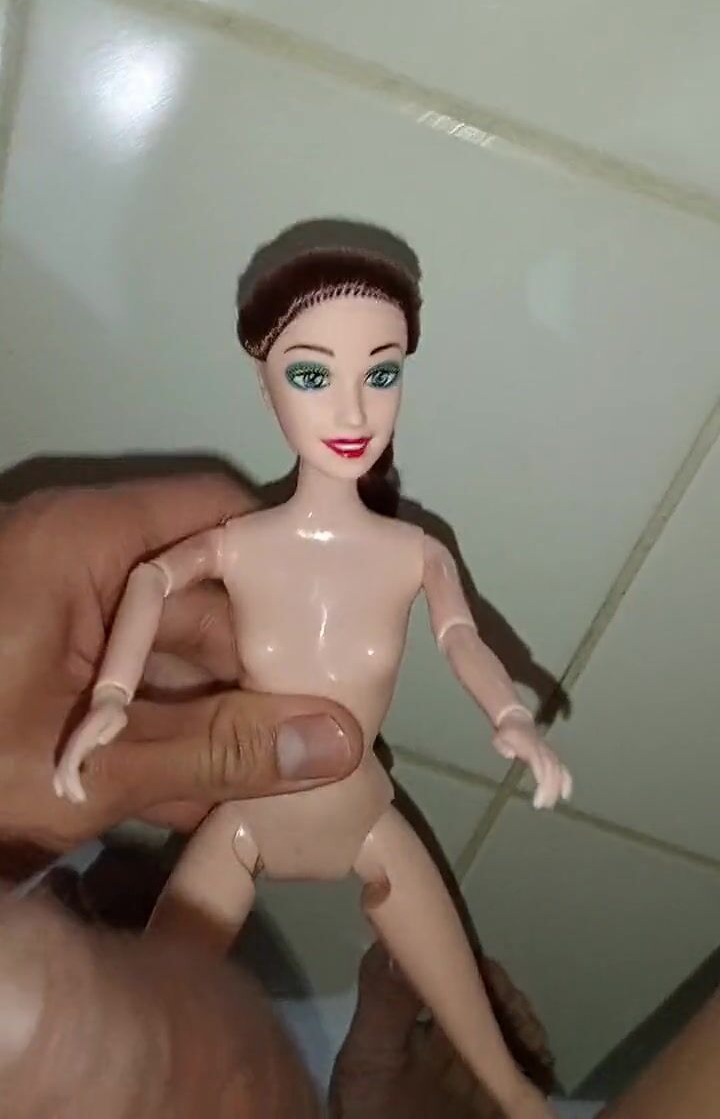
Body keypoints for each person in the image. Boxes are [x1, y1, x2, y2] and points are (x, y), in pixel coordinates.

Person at [0, 475, 717, 1117]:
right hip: (247, 825)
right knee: (139, 1051)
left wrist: (511, 717)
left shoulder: (412, 553)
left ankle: (511, 1097)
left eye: (377, 382)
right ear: (268, 385)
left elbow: (461, 636)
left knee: (509, 1084)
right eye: (314, 381)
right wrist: (111, 694)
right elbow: (153, 578)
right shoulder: (240, 544)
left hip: (363, 816)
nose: (350, 412)